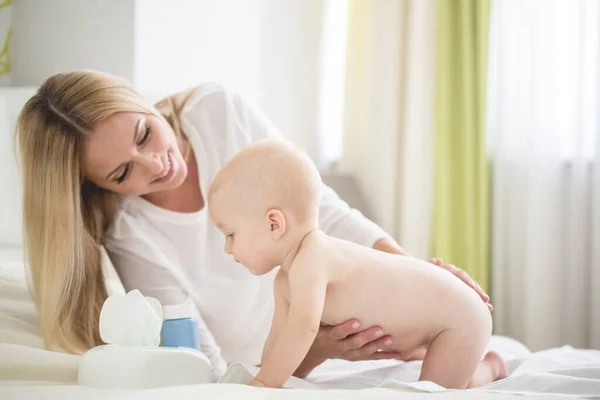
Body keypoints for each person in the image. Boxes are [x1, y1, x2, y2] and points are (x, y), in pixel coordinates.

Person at [15, 70, 492, 381]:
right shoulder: (130, 232)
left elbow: (321, 210)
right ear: (96, 187)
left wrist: (423, 282)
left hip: (352, 322)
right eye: (122, 173)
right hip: (282, 365)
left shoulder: (215, 113)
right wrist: (313, 352)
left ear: (139, 103)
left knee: (446, 348)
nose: (155, 164)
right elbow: (206, 366)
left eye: (144, 133)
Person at [207, 140, 507, 389]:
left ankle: (490, 368)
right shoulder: (285, 278)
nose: (227, 247)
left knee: (432, 393)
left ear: (274, 224)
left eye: (231, 234)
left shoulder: (314, 255)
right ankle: (488, 367)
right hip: (437, 323)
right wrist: (260, 376)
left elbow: (303, 327)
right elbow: (277, 344)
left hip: (458, 318)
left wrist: (264, 385)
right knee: (453, 382)